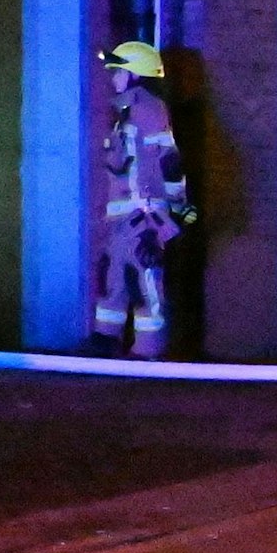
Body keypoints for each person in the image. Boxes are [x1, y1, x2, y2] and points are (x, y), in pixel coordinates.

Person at [93, 41, 195, 359]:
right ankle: (105, 341)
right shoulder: (125, 114)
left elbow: (169, 161)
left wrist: (177, 207)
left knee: (146, 286)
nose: (112, 77)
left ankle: (149, 355)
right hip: (123, 223)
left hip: (144, 220)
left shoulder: (149, 110)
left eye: (118, 70)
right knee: (114, 282)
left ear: (136, 75)